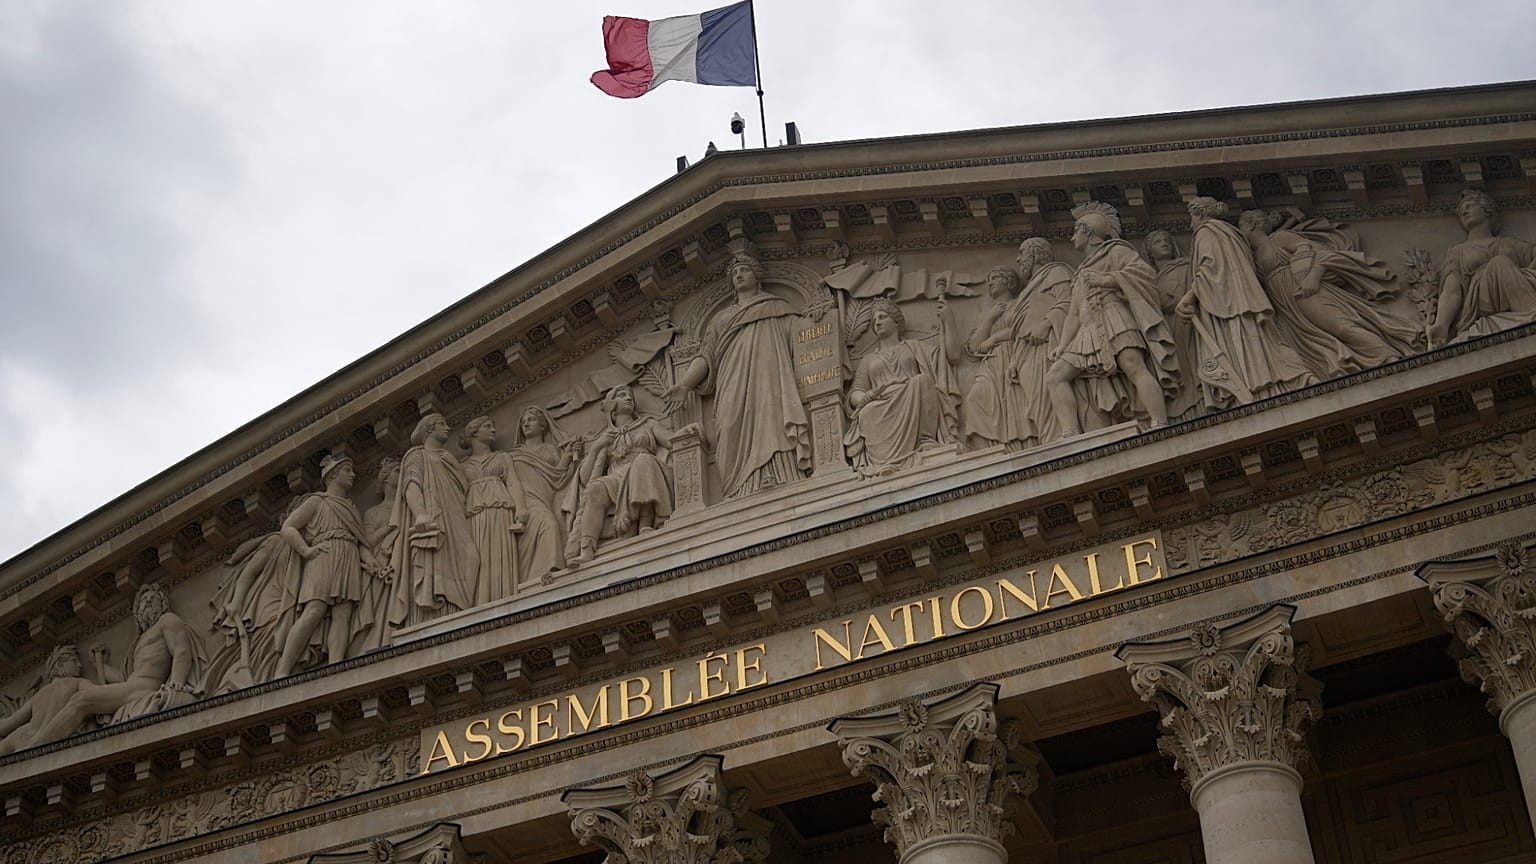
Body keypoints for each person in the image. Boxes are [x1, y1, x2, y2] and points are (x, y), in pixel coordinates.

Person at [664, 252, 811, 500]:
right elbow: (706, 356)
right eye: (734, 272)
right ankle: (739, 488)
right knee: (730, 422)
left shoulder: (776, 307)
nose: (739, 275)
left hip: (769, 376)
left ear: (757, 276)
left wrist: (818, 322)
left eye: (744, 270)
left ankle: (778, 475)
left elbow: (801, 336)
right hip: (731, 380)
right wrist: (685, 384)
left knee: (771, 416)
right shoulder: (721, 319)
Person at [1046, 202, 1177, 436]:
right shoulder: (1080, 272)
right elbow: (1073, 315)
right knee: (1055, 376)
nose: (1072, 238)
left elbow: (1144, 275)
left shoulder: (1117, 251)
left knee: (1133, 366)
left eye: (1076, 231)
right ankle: (1070, 435)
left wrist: (1106, 280)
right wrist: (1063, 346)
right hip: (1087, 330)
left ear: (1087, 231)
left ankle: (1160, 423)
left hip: (1114, 316)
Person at [1239, 209, 1421, 377]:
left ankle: (1388, 358)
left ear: (1252, 224)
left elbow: (1324, 254)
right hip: (1285, 307)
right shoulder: (1252, 260)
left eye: (1240, 227)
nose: (1239, 232)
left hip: (1304, 291)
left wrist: (1313, 277)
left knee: (1340, 325)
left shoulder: (1279, 239)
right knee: (1310, 346)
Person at [1177, 197, 1315, 408]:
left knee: (1246, 347)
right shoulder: (1232, 233)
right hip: (1245, 300)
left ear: (1201, 214)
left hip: (1227, 305)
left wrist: (1188, 297)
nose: (1190, 224)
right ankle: (1291, 379)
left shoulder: (1207, 232)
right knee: (1264, 343)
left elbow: (1210, 267)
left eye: (1192, 217)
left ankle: (1262, 387)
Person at [30, 584, 200, 744]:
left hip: (143, 688)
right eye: (143, 601)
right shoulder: (140, 641)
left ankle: (35, 748)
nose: (147, 602)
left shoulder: (167, 620)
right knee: (81, 700)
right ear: (137, 612)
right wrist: (100, 666)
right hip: (131, 688)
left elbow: (181, 651)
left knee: (81, 700)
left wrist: (177, 682)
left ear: (162, 605)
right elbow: (124, 678)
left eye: (153, 599)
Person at [962, 246, 1073, 450]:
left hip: (1017, 355)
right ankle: (990, 452)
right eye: (988, 280)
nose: (990, 283)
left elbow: (1024, 328)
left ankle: (1024, 447)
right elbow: (974, 346)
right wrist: (990, 319)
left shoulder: (1022, 303)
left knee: (1021, 406)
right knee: (974, 398)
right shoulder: (987, 314)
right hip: (992, 363)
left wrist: (995, 337)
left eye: (995, 277)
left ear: (1009, 281)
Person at [275, 454, 375, 677]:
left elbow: (360, 543)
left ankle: (335, 668)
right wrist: (306, 551)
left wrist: (372, 563)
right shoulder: (317, 501)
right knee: (314, 611)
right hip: (324, 555)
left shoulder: (350, 508)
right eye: (347, 470)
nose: (353, 475)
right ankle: (282, 670)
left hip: (348, 556)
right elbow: (289, 527)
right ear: (332, 475)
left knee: (343, 615)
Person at [845, 297, 961, 475]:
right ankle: (883, 461)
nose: (877, 322)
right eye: (874, 320)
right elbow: (855, 392)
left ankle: (925, 440)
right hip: (880, 403)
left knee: (922, 381)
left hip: (912, 397)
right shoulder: (868, 360)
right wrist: (867, 396)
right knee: (866, 412)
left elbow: (953, 356)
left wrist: (949, 320)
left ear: (896, 322)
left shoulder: (913, 347)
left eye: (882, 317)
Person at [388, 414, 481, 629]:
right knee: (440, 564)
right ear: (428, 429)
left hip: (457, 516)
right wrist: (420, 513)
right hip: (434, 516)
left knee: (471, 558)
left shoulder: (447, 457)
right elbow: (411, 485)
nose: (448, 427)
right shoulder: (416, 455)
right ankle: (436, 616)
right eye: (442, 424)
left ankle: (461, 612)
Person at [570, 385, 677, 564]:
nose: (628, 398)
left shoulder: (647, 424)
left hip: (645, 470)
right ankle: (587, 550)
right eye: (622, 395)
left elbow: (669, 439)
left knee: (642, 461)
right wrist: (596, 447)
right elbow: (584, 478)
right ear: (612, 405)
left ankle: (645, 522)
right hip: (616, 476)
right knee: (595, 489)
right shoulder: (607, 436)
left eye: (630, 395)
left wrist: (685, 433)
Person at [1429, 188, 1536, 347]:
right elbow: (1452, 292)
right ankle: (1531, 315)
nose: (1464, 212)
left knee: (1500, 262)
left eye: (1469, 206)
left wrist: (1525, 274)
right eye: (1461, 211)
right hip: (1479, 303)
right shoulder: (1458, 252)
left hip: (1515, 289)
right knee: (1499, 263)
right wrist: (1441, 326)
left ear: (1487, 210)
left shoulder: (1510, 244)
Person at [508, 406, 581, 585]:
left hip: (545, 496)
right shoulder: (513, 455)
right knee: (549, 524)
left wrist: (570, 455)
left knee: (550, 524)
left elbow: (557, 475)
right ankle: (550, 570)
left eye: (531, 419)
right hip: (524, 499)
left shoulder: (550, 450)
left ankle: (537, 575)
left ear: (542, 426)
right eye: (523, 421)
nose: (526, 423)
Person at [461, 416, 528, 602]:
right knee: (478, 558)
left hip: (501, 509)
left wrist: (521, 508)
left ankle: (504, 598)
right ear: (474, 432)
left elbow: (513, 482)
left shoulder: (501, 457)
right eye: (488, 426)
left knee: (501, 555)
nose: (493, 430)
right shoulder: (461, 466)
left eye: (493, 426)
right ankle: (480, 602)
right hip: (474, 514)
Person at [1143, 230, 1204, 422]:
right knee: (1182, 365)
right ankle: (1189, 408)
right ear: (1150, 253)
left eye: (1167, 240)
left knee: (1199, 356)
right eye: (1158, 242)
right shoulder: (1150, 277)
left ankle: (1207, 395)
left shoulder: (1187, 264)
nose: (1164, 244)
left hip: (1195, 316)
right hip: (1172, 326)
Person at [0, 646, 90, 755]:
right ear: (60, 664)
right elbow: (101, 694)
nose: (79, 665)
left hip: (24, 741)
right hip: (58, 743)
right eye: (74, 661)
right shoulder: (78, 683)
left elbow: (7, 725)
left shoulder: (38, 695)